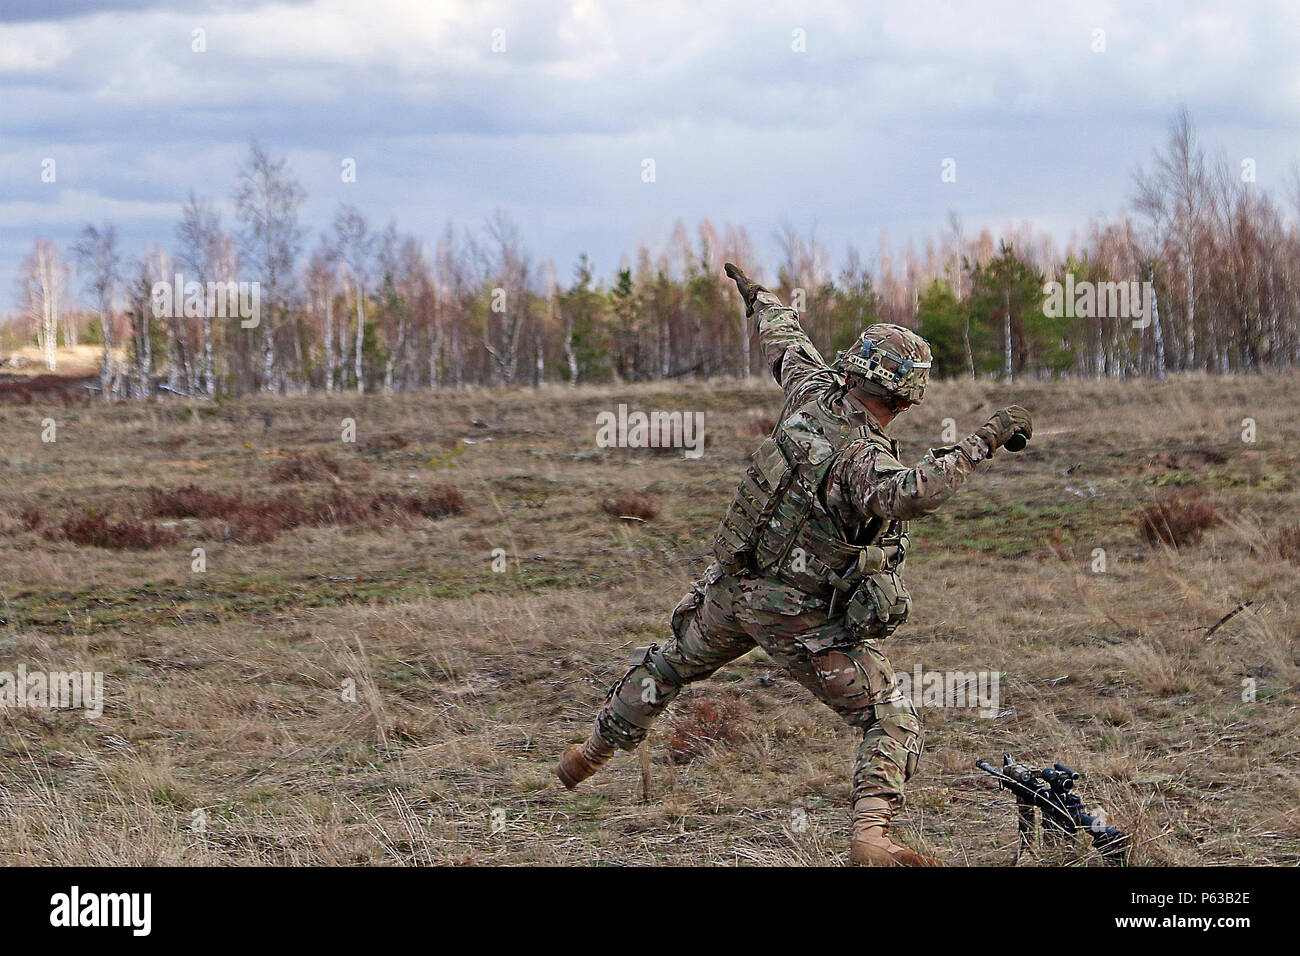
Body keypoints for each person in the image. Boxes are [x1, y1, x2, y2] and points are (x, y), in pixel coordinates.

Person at [557, 263, 1032, 865]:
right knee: (889, 718)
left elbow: (786, 339)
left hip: (733, 593)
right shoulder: (863, 457)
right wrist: (984, 440)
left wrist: (759, 297)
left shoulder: (810, 391)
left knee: (668, 667)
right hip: (801, 620)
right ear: (909, 396)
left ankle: (588, 754)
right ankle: (871, 836)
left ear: (854, 366)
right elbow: (912, 493)